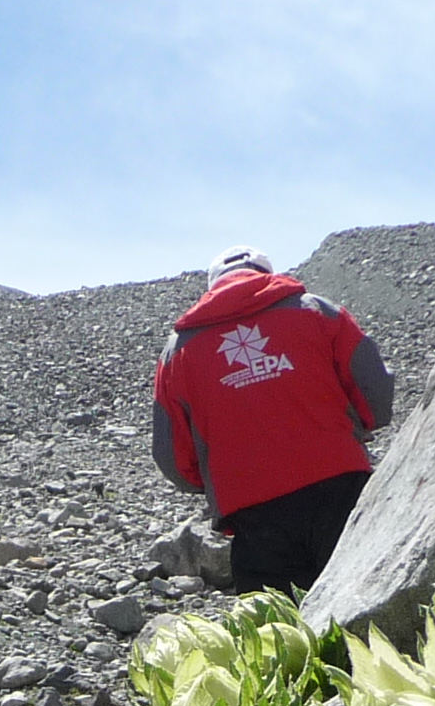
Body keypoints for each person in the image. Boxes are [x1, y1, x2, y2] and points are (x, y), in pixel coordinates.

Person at [151, 250, 394, 595]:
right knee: (366, 608)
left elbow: (171, 456)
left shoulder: (178, 351)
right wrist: (357, 430)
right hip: (341, 488)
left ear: (212, 288)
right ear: (266, 274)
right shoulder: (318, 311)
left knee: (280, 636)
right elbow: (376, 395)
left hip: (254, 517)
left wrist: (214, 481)